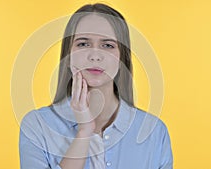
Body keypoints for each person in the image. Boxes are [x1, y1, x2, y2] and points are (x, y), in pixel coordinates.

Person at [19, 3, 173, 169]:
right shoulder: (37, 125)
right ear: (68, 55)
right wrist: (85, 132)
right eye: (83, 44)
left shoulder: (154, 132)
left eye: (107, 45)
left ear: (122, 58)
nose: (95, 55)